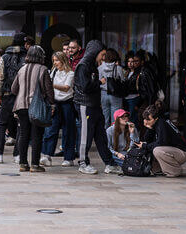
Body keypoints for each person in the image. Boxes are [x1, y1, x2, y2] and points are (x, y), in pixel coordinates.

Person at [73, 39, 120, 175]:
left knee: (101, 135)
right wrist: (99, 82)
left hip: (94, 105)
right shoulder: (83, 66)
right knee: (85, 135)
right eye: (102, 54)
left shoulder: (91, 65)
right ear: (95, 52)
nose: (103, 58)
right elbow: (85, 87)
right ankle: (83, 163)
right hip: (85, 104)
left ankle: (109, 163)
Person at [10, 45, 55, 172]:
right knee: (37, 135)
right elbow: (49, 90)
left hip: (21, 105)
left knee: (24, 135)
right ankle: (35, 164)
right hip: (37, 107)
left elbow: (14, 89)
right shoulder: (43, 69)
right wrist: (52, 104)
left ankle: (23, 164)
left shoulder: (22, 69)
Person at [0, 32, 27, 164]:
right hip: (22, 96)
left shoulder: (5, 56)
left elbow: (0, 78)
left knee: (1, 124)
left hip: (7, 94)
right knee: (21, 126)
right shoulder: (27, 56)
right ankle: (18, 155)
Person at [40, 51, 77, 166]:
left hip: (67, 103)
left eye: (57, 60)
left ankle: (68, 158)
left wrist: (51, 85)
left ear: (63, 60)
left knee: (68, 131)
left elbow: (66, 88)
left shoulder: (70, 73)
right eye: (54, 60)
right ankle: (47, 155)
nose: (55, 63)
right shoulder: (54, 71)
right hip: (55, 103)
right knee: (51, 129)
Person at [137, 102, 186, 177]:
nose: (146, 121)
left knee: (157, 150)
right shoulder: (156, 123)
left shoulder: (162, 124)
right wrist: (149, 128)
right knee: (151, 147)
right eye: (145, 119)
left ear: (156, 118)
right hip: (172, 151)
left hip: (181, 153)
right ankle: (159, 170)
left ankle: (174, 171)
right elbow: (147, 140)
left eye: (148, 119)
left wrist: (145, 146)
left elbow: (161, 143)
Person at [99, 48, 125, 128]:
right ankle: (114, 137)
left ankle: (105, 137)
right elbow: (123, 80)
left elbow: (98, 81)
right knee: (116, 118)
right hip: (115, 94)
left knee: (104, 118)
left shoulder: (100, 68)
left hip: (103, 93)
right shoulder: (118, 68)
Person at [124, 53, 142, 125]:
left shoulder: (138, 73)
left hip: (134, 97)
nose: (131, 64)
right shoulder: (126, 72)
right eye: (129, 61)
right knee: (126, 117)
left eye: (133, 62)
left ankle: (133, 134)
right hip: (126, 97)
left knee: (132, 117)